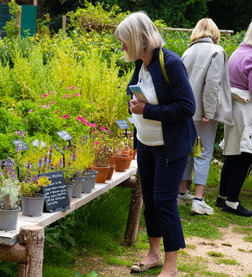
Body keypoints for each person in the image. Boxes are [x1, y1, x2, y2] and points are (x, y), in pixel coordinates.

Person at [115, 11, 197, 277]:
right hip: (146, 144)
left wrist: (146, 111)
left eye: (125, 40)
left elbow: (186, 107)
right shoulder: (142, 63)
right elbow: (134, 90)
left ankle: (171, 266)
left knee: (164, 201)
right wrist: (133, 102)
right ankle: (153, 254)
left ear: (140, 38)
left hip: (169, 146)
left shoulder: (170, 62)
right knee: (150, 201)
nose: (122, 46)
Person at [178, 18, 233, 215]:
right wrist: (210, 112)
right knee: (203, 153)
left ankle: (182, 192)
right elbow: (212, 84)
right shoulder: (216, 51)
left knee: (189, 151)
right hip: (203, 114)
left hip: (186, 112)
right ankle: (199, 200)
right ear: (215, 33)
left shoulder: (187, 52)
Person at [216, 20, 252, 217]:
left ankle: (222, 197)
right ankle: (232, 202)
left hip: (233, 108)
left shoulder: (239, 52)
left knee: (233, 154)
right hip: (246, 110)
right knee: (246, 155)